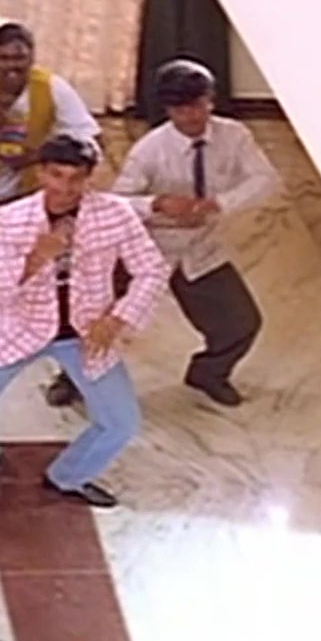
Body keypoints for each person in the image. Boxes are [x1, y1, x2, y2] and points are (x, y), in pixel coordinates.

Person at [0, 135, 169, 507]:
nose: (65, 188)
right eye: (57, 175)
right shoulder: (15, 218)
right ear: (42, 173)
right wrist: (37, 258)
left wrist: (117, 319)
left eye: (76, 178)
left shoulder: (115, 213)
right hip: (19, 327)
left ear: (90, 177)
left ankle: (69, 476)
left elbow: (152, 270)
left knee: (121, 423)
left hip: (86, 333)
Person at [54, 58, 278, 408]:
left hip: (199, 247)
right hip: (143, 246)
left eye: (198, 106)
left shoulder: (234, 136)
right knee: (95, 314)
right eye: (180, 109)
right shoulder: (150, 149)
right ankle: (72, 378)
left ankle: (209, 373)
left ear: (211, 100)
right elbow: (117, 203)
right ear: (168, 110)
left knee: (241, 323)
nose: (190, 117)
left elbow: (264, 179)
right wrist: (157, 204)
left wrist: (219, 204)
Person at [0, 22, 101, 205]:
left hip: (36, 192)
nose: (12, 66)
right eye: (4, 58)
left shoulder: (52, 87)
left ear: (32, 58)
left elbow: (91, 138)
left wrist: (39, 156)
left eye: (19, 58)